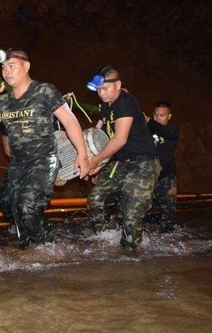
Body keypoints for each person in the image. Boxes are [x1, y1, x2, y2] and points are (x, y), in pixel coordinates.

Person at [0, 48, 89, 249]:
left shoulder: (44, 91)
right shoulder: (4, 100)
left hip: (43, 160)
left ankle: (45, 249)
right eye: (3, 68)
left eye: (12, 66)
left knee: (27, 207)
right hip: (18, 163)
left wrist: (82, 153)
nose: (6, 72)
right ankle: (30, 240)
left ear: (26, 66)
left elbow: (69, 120)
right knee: (5, 202)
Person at [86, 65, 160, 249]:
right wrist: (98, 164)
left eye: (106, 88)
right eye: (99, 90)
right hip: (119, 163)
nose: (102, 94)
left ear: (118, 85)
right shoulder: (105, 106)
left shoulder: (126, 101)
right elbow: (97, 136)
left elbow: (119, 140)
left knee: (131, 215)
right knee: (96, 199)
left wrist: (95, 161)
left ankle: (130, 256)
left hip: (142, 163)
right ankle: (105, 241)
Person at [144, 101, 180, 232]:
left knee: (168, 213)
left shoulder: (173, 130)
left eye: (162, 115)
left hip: (167, 178)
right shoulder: (146, 129)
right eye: (155, 115)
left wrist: (149, 122)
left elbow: (166, 132)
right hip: (148, 178)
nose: (158, 118)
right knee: (146, 214)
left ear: (169, 116)